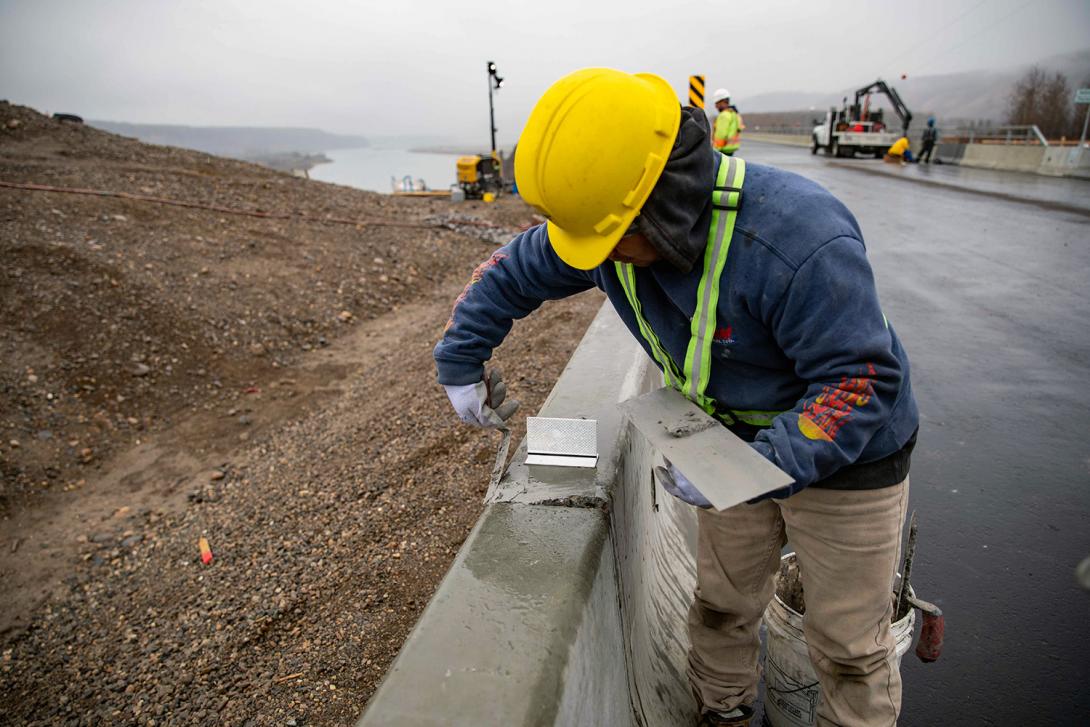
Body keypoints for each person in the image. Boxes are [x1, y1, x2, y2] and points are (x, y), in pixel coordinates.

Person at [434, 68, 919, 727]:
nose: (596, 260)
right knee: (721, 606)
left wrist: (757, 467)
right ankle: (724, 712)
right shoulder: (610, 227)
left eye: (611, 242)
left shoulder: (795, 240)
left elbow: (859, 381)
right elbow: (512, 272)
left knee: (847, 643)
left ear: (663, 204)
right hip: (729, 439)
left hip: (852, 455)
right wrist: (461, 361)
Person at [710, 87, 744, 156]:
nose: (716, 106)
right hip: (730, 148)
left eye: (717, 103)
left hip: (722, 150)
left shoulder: (724, 115)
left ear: (723, 101)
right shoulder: (733, 113)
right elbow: (740, 128)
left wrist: (714, 149)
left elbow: (721, 134)